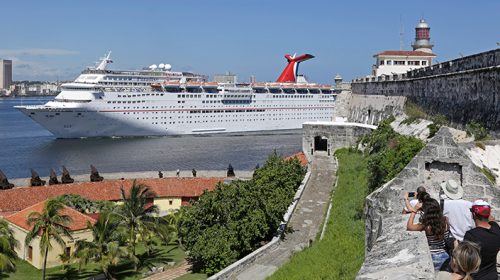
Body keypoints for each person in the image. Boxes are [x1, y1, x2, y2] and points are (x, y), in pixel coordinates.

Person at [407, 198, 451, 270]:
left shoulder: (426, 226)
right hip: (445, 256)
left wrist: (414, 210)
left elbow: (409, 227)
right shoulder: (445, 220)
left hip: (432, 257)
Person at [463, 199, 500, 280]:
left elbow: (466, 260)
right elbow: (492, 221)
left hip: (477, 277)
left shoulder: (471, 235)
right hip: (493, 276)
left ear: (474, 214)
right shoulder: (497, 230)